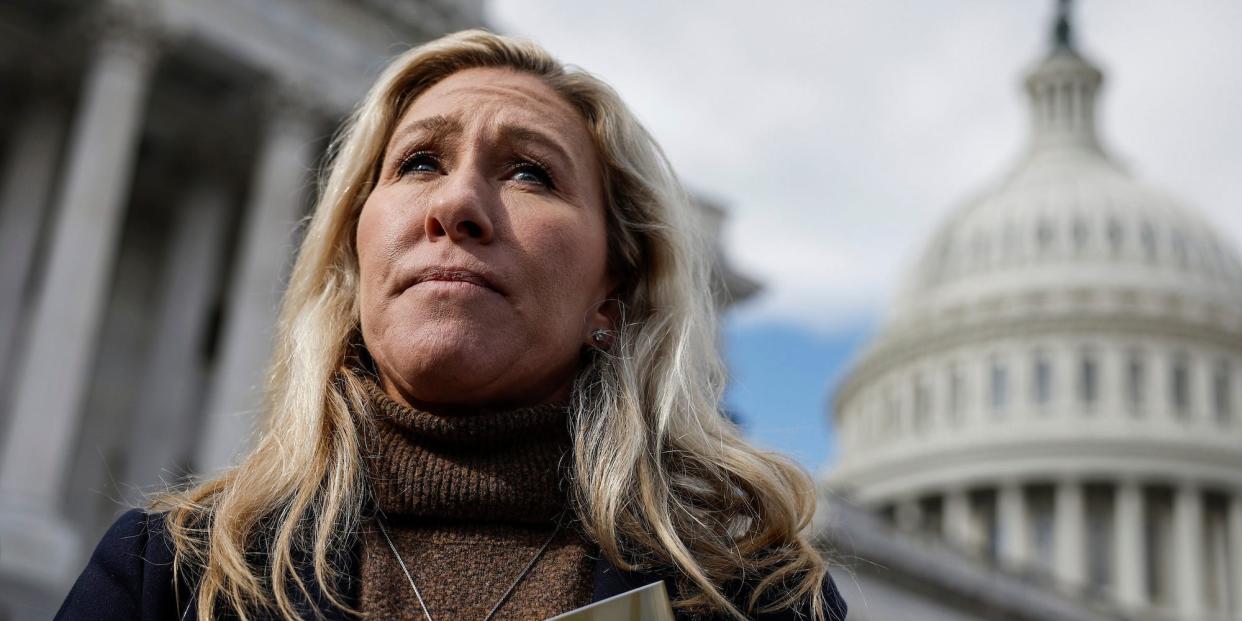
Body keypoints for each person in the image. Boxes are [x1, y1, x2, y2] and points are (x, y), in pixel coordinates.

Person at [55, 29, 847, 621]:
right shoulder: (169, 574)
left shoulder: (748, 594)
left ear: (612, 292)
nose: (457, 205)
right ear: (356, 251)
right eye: (419, 163)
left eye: (530, 172)